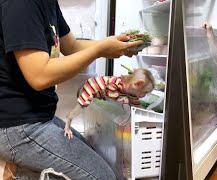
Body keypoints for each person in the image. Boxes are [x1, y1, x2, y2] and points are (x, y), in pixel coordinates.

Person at [0, 0, 143, 179]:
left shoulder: (49, 3)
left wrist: (117, 46)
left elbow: (72, 47)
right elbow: (39, 75)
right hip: (17, 126)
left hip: (40, 116)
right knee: (103, 177)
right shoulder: (22, 4)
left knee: (99, 160)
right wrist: (99, 50)